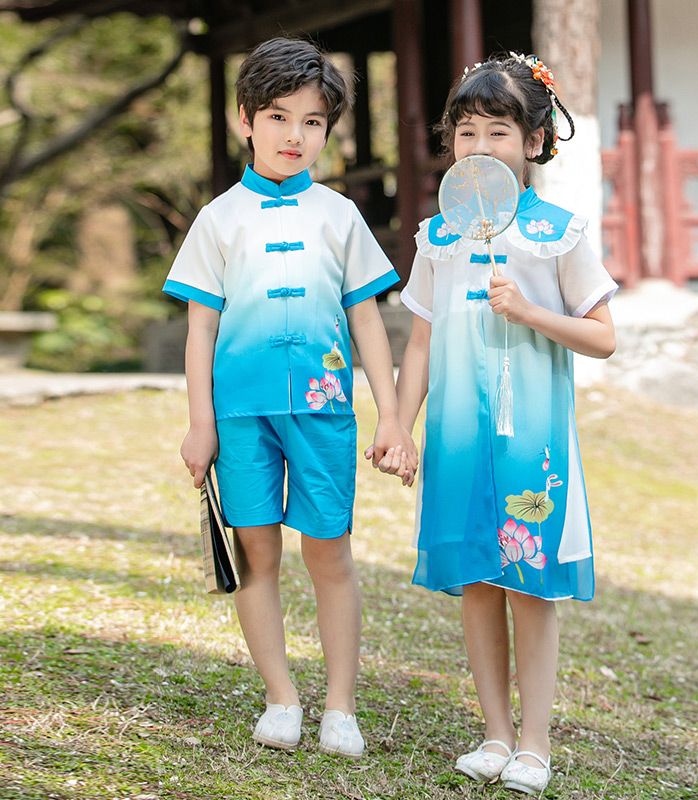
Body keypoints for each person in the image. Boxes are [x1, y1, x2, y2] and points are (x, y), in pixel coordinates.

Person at [163, 37, 417, 759]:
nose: (295, 136)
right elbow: (199, 330)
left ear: (327, 131)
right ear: (247, 119)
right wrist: (199, 424)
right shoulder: (218, 219)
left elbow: (368, 318)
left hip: (324, 408)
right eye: (278, 118)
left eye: (312, 122)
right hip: (240, 414)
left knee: (329, 554)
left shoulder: (338, 216)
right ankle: (281, 697)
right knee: (258, 555)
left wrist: (392, 414)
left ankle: (340, 706)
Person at [385, 52, 617, 794]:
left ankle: (535, 744)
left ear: (536, 143)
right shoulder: (437, 238)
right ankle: (493, 734)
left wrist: (530, 311)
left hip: (534, 441)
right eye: (467, 133)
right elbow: (418, 339)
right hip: (457, 437)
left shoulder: (560, 232)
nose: (480, 148)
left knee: (532, 585)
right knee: (480, 580)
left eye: (499, 133)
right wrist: (398, 423)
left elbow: (604, 335)